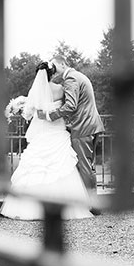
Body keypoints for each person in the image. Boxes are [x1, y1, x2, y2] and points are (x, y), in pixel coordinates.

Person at [0, 61, 93, 220]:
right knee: (62, 167)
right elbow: (68, 108)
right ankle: (66, 206)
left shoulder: (35, 92)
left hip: (43, 134)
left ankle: (31, 207)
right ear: (52, 74)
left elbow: (28, 114)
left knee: (36, 168)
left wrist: (21, 106)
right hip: (57, 131)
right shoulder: (61, 89)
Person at [39, 55, 104, 212]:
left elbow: (71, 106)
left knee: (85, 166)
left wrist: (49, 116)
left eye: (55, 67)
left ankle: (93, 206)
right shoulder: (78, 76)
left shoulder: (71, 79)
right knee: (88, 165)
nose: (53, 71)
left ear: (62, 65)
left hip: (83, 128)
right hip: (90, 125)